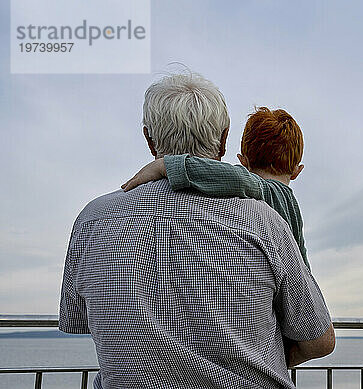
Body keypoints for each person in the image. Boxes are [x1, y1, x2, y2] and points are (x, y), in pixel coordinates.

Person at [59, 72, 335, 389]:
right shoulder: (266, 221)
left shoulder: (92, 221)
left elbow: (80, 321)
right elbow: (320, 341)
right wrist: (259, 357)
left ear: (149, 138)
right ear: (224, 138)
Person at [122, 106, 311, 270]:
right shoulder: (291, 206)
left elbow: (235, 178)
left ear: (243, 163)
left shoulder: (266, 190)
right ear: (297, 171)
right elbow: (302, 261)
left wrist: (167, 166)